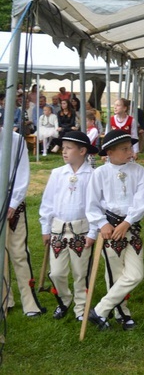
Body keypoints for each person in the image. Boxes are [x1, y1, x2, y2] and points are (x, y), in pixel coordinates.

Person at [85, 130, 144, 331]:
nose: (130, 152)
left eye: (130, 147)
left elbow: (141, 200)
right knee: (115, 273)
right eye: (125, 149)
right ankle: (121, 313)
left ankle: (100, 309)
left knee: (135, 274)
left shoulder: (138, 171)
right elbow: (92, 204)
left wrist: (128, 222)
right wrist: (101, 223)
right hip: (110, 229)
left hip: (131, 227)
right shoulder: (99, 173)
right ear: (110, 152)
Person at [38, 131, 98, 320]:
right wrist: (45, 228)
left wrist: (93, 232)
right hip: (58, 229)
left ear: (82, 151)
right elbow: (47, 202)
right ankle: (65, 299)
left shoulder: (92, 175)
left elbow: (95, 206)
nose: (64, 152)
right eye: (63, 148)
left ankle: (81, 308)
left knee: (81, 272)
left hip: (81, 229)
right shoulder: (57, 173)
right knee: (56, 273)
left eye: (68, 148)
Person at [1, 124, 45, 316]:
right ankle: (4, 300)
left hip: (12, 203)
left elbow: (22, 173)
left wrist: (13, 203)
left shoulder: (16, 139)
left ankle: (29, 303)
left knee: (19, 253)